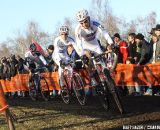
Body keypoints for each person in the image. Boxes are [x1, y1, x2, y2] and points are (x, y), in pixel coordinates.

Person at [75, 9, 113, 86]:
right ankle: (92, 77)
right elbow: (78, 44)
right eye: (81, 23)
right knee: (87, 57)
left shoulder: (95, 23)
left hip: (95, 45)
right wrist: (82, 55)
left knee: (102, 63)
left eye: (85, 21)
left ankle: (106, 77)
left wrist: (111, 43)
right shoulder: (78, 29)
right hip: (85, 46)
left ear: (88, 18)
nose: (84, 24)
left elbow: (105, 33)